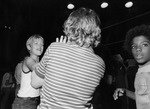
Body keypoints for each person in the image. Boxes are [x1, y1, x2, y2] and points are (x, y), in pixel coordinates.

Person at [31, 7, 105, 109]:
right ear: (96, 31)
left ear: (70, 27)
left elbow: (35, 83)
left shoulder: (54, 48)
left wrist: (58, 52)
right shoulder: (100, 64)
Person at [113, 24, 150, 109]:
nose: (138, 49)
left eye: (144, 45)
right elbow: (142, 99)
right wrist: (125, 91)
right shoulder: (141, 71)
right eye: (134, 46)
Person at [12, 34, 44, 109]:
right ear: (29, 47)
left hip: (33, 101)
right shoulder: (28, 60)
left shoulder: (39, 62)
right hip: (24, 102)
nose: (40, 46)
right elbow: (35, 67)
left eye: (42, 44)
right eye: (36, 43)